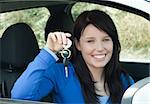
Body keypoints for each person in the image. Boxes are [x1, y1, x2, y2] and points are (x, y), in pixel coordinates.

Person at [11, 10, 134, 104]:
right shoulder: (60, 73)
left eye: (106, 40)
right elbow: (19, 97)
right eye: (90, 41)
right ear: (78, 44)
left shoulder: (124, 80)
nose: (100, 48)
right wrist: (48, 52)